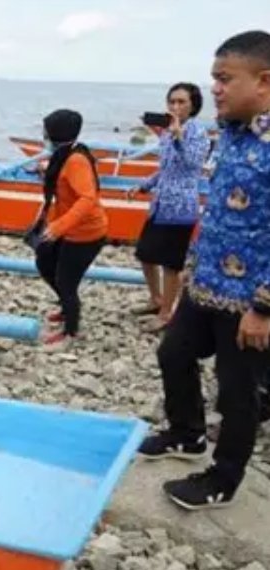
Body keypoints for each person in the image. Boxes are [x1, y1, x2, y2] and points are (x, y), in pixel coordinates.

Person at [138, 30, 270, 511]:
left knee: (237, 394)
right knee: (173, 353)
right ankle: (186, 432)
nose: (213, 88)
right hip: (207, 284)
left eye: (223, 79)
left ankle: (223, 478)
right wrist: (191, 272)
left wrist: (264, 308)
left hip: (252, 300)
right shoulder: (231, 135)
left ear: (264, 82)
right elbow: (217, 213)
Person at [128, 83, 211, 333]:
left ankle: (167, 313)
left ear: (193, 105)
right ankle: (156, 299)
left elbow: (194, 163)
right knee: (144, 254)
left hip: (181, 206)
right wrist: (144, 185)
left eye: (181, 102)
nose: (175, 107)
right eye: (172, 102)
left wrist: (178, 137)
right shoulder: (165, 132)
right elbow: (165, 168)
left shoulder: (197, 132)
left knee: (170, 263)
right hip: (160, 204)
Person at [34, 109, 108, 350]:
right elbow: (63, 185)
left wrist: (57, 226)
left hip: (86, 232)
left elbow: (87, 199)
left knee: (66, 281)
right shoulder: (64, 154)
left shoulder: (76, 160)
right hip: (66, 228)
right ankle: (67, 307)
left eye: (46, 130)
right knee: (45, 261)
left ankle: (71, 332)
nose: (44, 134)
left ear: (56, 132)